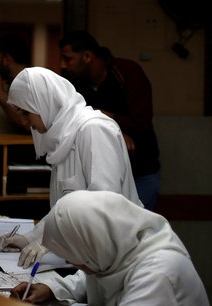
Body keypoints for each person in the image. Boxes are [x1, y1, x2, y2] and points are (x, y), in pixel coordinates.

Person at [0, 67, 142, 269]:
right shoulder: (61, 137)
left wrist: (52, 243)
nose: (24, 122)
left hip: (120, 258)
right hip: (88, 260)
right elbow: (62, 212)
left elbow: (104, 207)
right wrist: (29, 238)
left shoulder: (94, 129)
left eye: (26, 112)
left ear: (44, 102)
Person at [10, 190, 210, 306]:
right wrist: (51, 289)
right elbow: (93, 278)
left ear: (94, 248)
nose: (71, 264)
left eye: (73, 258)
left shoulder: (157, 273)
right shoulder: (119, 248)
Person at [59, 30, 161, 211]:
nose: (63, 65)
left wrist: (106, 121)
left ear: (88, 56)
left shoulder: (127, 72)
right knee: (102, 231)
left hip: (140, 170)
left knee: (137, 232)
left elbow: (142, 123)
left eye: (68, 59)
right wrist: (116, 131)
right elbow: (68, 121)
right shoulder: (72, 82)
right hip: (96, 173)